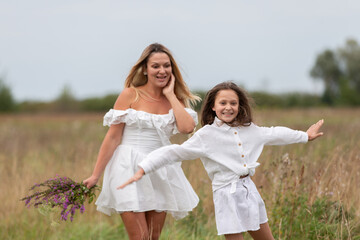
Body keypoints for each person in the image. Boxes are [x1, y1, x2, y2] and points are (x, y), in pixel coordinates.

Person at [118, 81, 324, 240]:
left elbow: (274, 134)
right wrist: (144, 167)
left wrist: (304, 136)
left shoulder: (249, 129)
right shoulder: (206, 135)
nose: (228, 107)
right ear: (214, 107)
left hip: (249, 191)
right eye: (223, 103)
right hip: (226, 194)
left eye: (233, 103)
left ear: (239, 105)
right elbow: (175, 152)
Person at [83, 43, 201, 240]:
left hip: (159, 168)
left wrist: (170, 94)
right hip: (127, 166)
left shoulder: (176, 100)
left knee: (153, 238)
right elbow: (113, 137)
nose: (162, 70)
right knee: (140, 237)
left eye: (166, 65)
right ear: (145, 69)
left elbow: (187, 128)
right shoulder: (131, 94)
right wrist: (96, 175)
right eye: (155, 66)